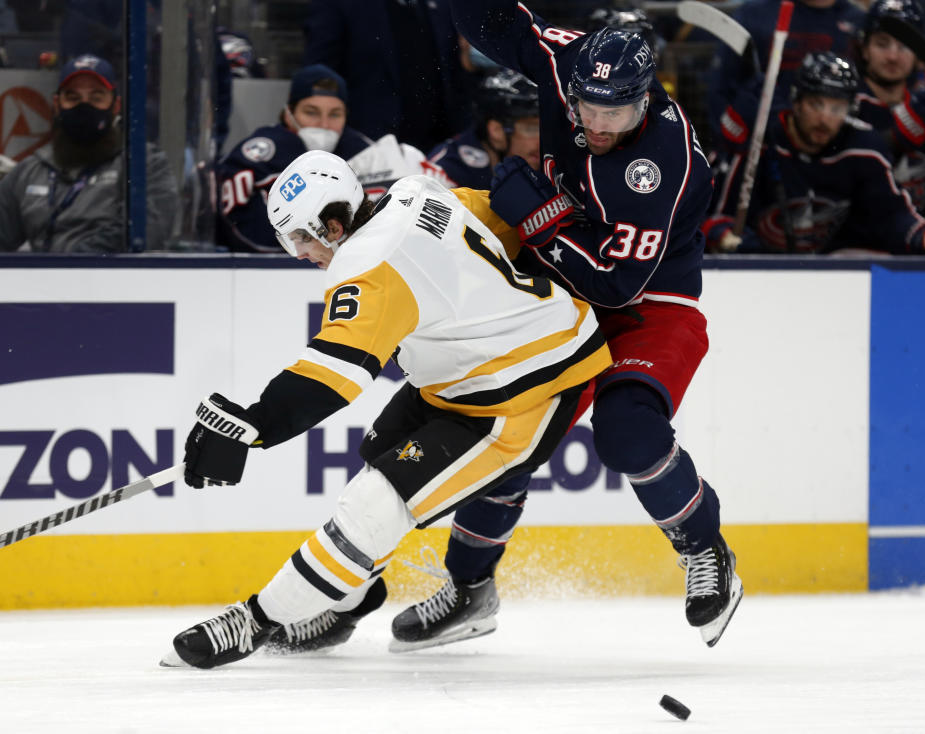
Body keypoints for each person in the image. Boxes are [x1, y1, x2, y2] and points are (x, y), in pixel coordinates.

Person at [161, 150, 612, 669]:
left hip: (520, 393)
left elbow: (331, 376)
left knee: (378, 503)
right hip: (465, 375)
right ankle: (350, 600)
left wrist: (253, 427)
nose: (301, 253)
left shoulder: (370, 265)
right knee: (379, 451)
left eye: (302, 239)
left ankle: (257, 620)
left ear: (332, 225)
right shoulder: (414, 193)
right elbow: (503, 225)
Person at [382, 6, 743, 652]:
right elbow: (501, 24)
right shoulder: (565, 63)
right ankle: (469, 589)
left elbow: (617, 284)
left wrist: (542, 215)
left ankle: (704, 549)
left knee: (629, 432)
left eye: (615, 113)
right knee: (508, 428)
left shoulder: (664, 158)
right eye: (587, 109)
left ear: (646, 97)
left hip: (652, 302)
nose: (597, 125)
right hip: (563, 298)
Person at [702, 51, 925, 255]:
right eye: (816, 104)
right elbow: (712, 217)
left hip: (835, 274)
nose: (825, 118)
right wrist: (723, 235)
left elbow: (892, 217)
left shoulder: (864, 149)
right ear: (796, 101)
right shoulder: (759, 140)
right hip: (757, 277)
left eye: (837, 108)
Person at [0, 54, 178, 253]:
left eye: (96, 97)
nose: (84, 106)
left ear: (116, 106)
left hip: (116, 281)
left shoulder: (143, 163)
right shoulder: (30, 171)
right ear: (57, 105)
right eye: (73, 98)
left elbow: (146, 231)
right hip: (44, 282)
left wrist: (76, 265)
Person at [216, 63, 377, 252]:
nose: (324, 124)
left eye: (335, 114)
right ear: (288, 113)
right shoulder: (261, 153)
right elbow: (240, 228)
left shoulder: (366, 152)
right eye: (311, 112)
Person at [302, 0, 473, 153]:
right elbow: (319, 75)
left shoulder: (444, 7)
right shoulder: (340, 5)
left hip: (435, 149)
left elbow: (455, 73)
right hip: (365, 150)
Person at [708, 0, 866, 150]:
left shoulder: (857, 21)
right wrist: (729, 144)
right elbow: (721, 88)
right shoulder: (754, 15)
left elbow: (867, 91)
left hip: (835, 153)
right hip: (764, 148)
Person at [853, 0, 925, 218]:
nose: (893, 56)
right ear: (864, 50)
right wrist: (895, 135)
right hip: (861, 242)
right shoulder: (844, 103)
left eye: (904, 46)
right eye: (882, 44)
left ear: (919, 54)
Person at [423, 68, 540, 189]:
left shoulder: (549, 165)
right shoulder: (447, 173)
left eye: (546, 129)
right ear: (497, 130)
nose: (543, 141)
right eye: (532, 129)